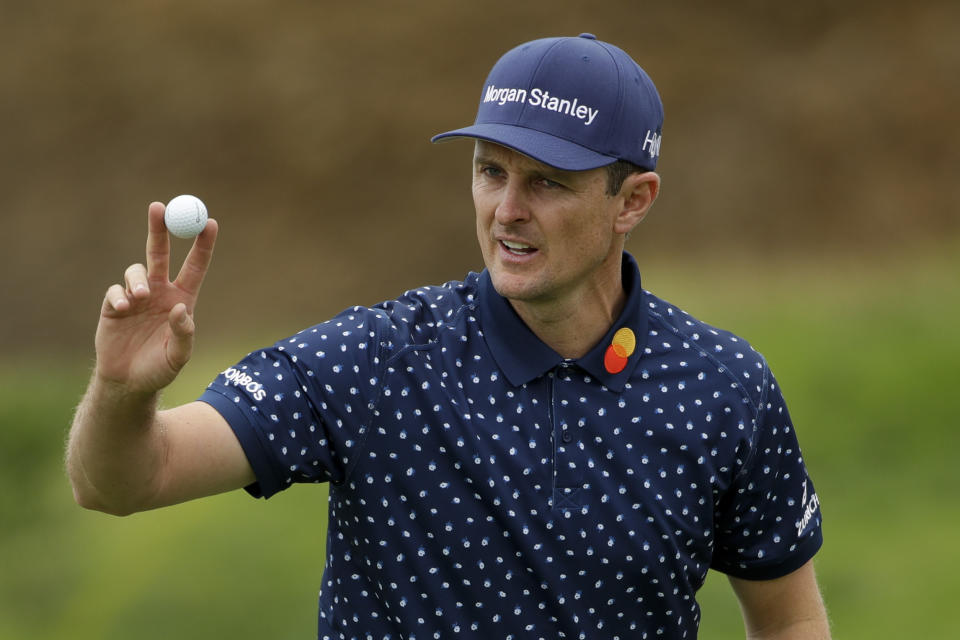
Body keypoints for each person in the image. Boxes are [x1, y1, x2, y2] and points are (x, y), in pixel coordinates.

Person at [67, 33, 829, 639]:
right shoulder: (378, 358)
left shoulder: (723, 387)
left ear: (632, 200)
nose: (507, 210)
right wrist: (121, 393)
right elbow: (123, 481)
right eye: (491, 171)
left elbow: (789, 617)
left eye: (547, 182)